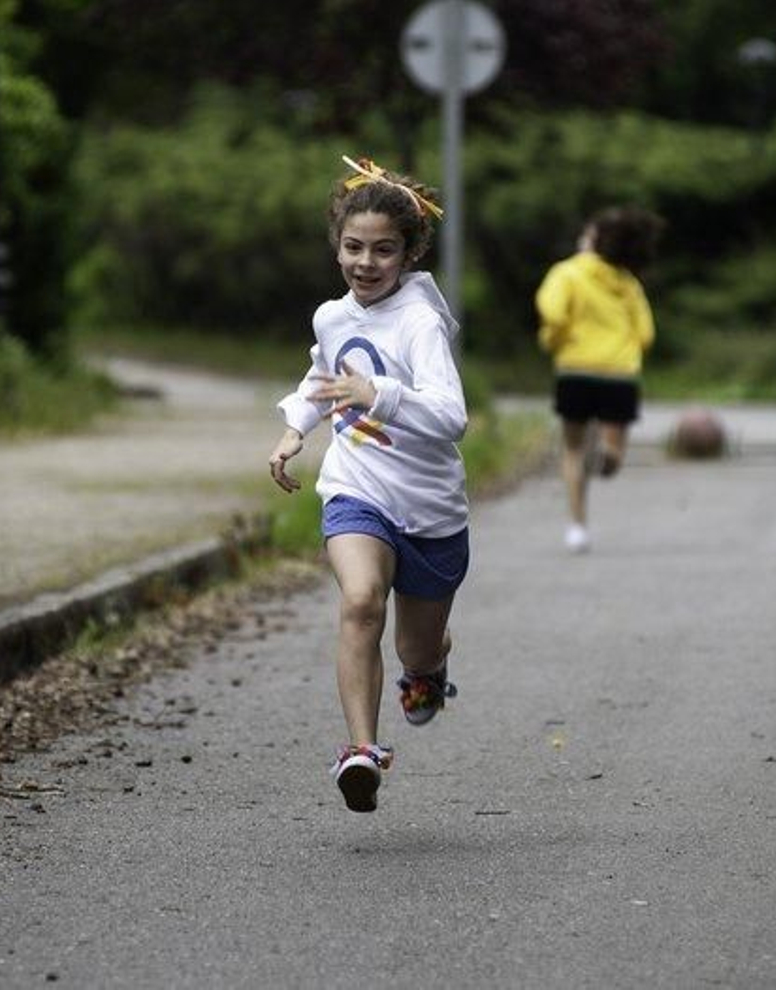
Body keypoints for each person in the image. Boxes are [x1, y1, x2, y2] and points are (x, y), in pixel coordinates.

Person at [268, 156, 469, 814]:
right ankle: (362, 751)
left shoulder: (420, 323)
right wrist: (297, 427)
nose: (365, 263)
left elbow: (450, 417)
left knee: (414, 644)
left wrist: (376, 393)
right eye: (353, 247)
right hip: (357, 487)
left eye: (384, 250)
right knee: (360, 602)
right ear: (337, 246)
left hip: (431, 510)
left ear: (408, 253)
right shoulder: (332, 316)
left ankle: (427, 670)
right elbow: (321, 375)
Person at [536, 206, 664, 554]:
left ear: (595, 241)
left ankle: (577, 527)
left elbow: (553, 312)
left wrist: (554, 340)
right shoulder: (628, 283)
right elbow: (646, 334)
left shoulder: (567, 273)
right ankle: (609, 452)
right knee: (613, 447)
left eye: (586, 234)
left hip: (576, 369)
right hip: (620, 373)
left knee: (573, 449)